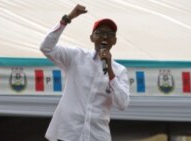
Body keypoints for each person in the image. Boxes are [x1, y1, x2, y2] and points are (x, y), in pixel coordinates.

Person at [40, 4, 130, 141]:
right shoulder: (76, 56)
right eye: (100, 33)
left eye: (110, 34)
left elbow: (122, 104)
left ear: (115, 41)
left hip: (97, 135)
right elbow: (46, 47)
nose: (105, 36)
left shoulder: (120, 71)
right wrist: (67, 18)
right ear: (92, 37)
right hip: (68, 134)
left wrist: (110, 70)